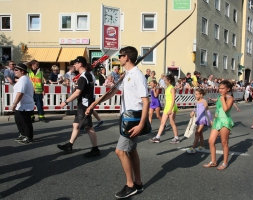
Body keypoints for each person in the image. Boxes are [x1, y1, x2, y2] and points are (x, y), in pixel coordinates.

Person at [86, 46, 148, 198]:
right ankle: (138, 183)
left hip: (133, 118)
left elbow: (145, 101)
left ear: (126, 57)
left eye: (120, 55)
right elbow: (113, 91)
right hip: (126, 116)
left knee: (120, 151)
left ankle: (130, 185)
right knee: (131, 151)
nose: (118, 58)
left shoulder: (137, 76)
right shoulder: (126, 74)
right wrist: (96, 103)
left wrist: (141, 124)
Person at [57, 56, 100, 157]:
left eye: (75, 64)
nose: (74, 66)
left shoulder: (83, 76)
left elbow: (77, 93)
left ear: (80, 64)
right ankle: (69, 145)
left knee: (88, 128)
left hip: (84, 105)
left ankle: (95, 149)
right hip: (85, 103)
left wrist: (65, 102)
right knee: (76, 125)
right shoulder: (89, 75)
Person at [203, 80, 234, 170]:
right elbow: (218, 109)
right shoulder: (219, 97)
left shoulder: (230, 98)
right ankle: (213, 161)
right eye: (219, 88)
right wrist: (214, 119)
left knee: (224, 143)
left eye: (222, 88)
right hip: (217, 121)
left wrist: (223, 98)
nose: (220, 90)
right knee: (211, 141)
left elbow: (225, 109)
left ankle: (225, 162)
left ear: (228, 89)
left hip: (225, 121)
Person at [149, 74, 180, 144]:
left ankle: (176, 137)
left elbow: (173, 100)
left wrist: (170, 109)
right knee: (162, 122)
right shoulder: (167, 88)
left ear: (169, 81)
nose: (164, 81)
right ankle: (157, 137)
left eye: (165, 80)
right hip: (166, 107)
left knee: (172, 123)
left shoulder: (172, 88)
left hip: (171, 107)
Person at [12, 63, 35, 144]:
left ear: (22, 71)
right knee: (19, 121)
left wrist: (14, 104)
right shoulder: (23, 79)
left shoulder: (23, 80)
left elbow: (20, 93)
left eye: (16, 70)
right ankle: (23, 135)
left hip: (24, 105)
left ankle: (28, 137)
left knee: (25, 122)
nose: (14, 71)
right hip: (21, 105)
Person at [186, 89, 213, 154]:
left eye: (196, 94)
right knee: (200, 133)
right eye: (195, 94)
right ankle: (202, 146)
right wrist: (192, 112)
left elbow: (208, 111)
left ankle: (193, 148)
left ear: (201, 95)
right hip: (198, 119)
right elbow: (195, 108)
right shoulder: (196, 101)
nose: (195, 95)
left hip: (203, 119)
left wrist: (211, 120)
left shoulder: (204, 101)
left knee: (197, 133)